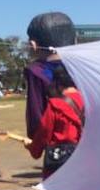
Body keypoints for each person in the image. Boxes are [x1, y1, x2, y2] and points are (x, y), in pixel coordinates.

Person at [23, 11, 76, 139]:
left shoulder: (36, 72)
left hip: (57, 146)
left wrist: (34, 138)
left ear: (33, 45)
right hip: (90, 143)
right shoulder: (83, 67)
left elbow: (36, 115)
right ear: (75, 40)